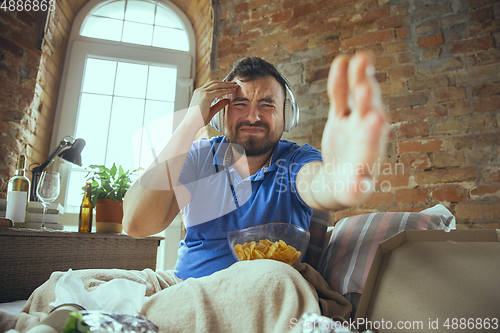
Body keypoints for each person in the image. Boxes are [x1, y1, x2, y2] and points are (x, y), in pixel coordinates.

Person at [122, 51, 389, 280]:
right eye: (240, 104)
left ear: (287, 116)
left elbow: (320, 184)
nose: (253, 116)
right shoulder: (197, 156)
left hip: (265, 296)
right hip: (186, 289)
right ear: (221, 113)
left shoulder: (297, 160)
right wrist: (191, 122)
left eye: (267, 104)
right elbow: (136, 224)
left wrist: (343, 176)